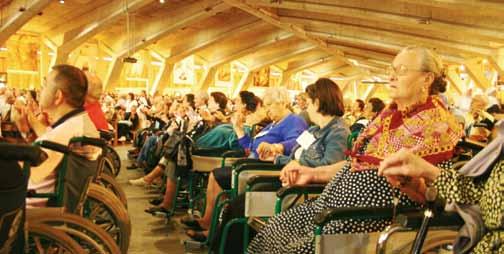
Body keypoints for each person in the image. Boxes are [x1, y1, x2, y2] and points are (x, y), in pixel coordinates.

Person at [248, 46, 463, 253]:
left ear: (427, 79)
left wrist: (416, 185)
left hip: (367, 216)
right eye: (392, 70)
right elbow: (357, 164)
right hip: (333, 205)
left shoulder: (439, 125)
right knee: (278, 227)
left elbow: (436, 193)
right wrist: (313, 173)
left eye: (402, 71)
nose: (392, 77)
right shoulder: (389, 116)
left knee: (296, 248)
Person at [207, 78, 350, 252]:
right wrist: (277, 159)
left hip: (304, 189)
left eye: (309, 103)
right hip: (289, 178)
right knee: (237, 205)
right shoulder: (313, 130)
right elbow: (292, 155)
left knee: (241, 205)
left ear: (318, 103)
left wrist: (291, 161)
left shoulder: (338, 132)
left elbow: (328, 166)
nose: (306, 108)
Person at [183, 87, 308, 242]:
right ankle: (209, 223)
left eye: (269, 105)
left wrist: (278, 146)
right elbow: (249, 146)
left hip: (265, 169)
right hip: (251, 164)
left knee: (218, 176)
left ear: (281, 103)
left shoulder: (294, 121)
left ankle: (212, 229)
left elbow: (297, 143)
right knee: (215, 175)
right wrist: (238, 128)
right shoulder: (273, 124)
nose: (267, 110)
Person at [378, 121, 504, 253]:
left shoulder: (440, 122)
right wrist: (425, 179)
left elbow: (494, 209)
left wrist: (429, 175)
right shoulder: (382, 121)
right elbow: (479, 193)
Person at [16, 64, 99, 207]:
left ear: (58, 96)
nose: (40, 90)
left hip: (29, 207)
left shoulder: (68, 130)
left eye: (45, 85)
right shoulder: (77, 123)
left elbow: (33, 173)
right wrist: (29, 123)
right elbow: (51, 138)